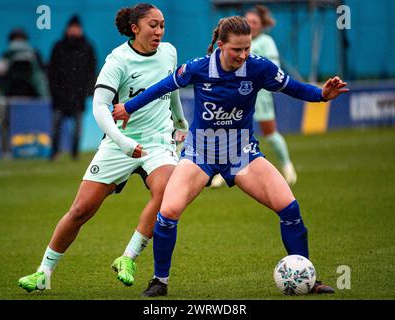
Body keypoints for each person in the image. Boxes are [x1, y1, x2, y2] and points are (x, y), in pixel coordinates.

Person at [112, 16, 348, 297]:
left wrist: (321, 95)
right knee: (168, 212)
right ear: (221, 45)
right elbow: (162, 87)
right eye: (237, 49)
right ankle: (159, 281)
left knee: (289, 208)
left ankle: (308, 279)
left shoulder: (259, 68)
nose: (243, 55)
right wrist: (128, 107)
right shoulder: (198, 67)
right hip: (201, 153)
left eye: (247, 48)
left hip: (241, 152)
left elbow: (293, 87)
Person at [18, 3, 188, 293]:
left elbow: (170, 90)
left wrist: (181, 122)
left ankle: (128, 258)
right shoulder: (117, 61)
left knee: (166, 196)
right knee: (81, 210)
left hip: (159, 142)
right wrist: (123, 142)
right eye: (153, 25)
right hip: (119, 142)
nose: (159, 31)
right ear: (135, 29)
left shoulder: (169, 52)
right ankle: (44, 272)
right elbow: (99, 108)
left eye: (162, 25)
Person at [211, 5, 296, 188]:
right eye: (248, 21)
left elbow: (274, 69)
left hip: (260, 95)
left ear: (262, 25)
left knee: (270, 133)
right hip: (236, 95)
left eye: (255, 22)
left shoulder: (266, 42)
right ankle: (225, 172)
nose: (251, 25)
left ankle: (287, 165)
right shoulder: (234, 42)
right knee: (232, 133)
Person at [48, 15, 96, 160]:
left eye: (77, 28)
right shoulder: (58, 46)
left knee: (77, 129)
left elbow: (92, 71)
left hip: (78, 95)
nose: (74, 31)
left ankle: (75, 154)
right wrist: (54, 90)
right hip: (60, 95)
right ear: (67, 29)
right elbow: (51, 71)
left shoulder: (87, 47)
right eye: (72, 28)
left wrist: (87, 91)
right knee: (56, 126)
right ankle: (54, 152)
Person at [0, 28, 49, 155]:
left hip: (10, 98)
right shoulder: (35, 53)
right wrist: (44, 96)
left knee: (7, 126)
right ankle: (34, 149)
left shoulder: (6, 55)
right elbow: (41, 78)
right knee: (30, 126)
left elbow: (0, 77)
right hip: (32, 99)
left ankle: (7, 150)